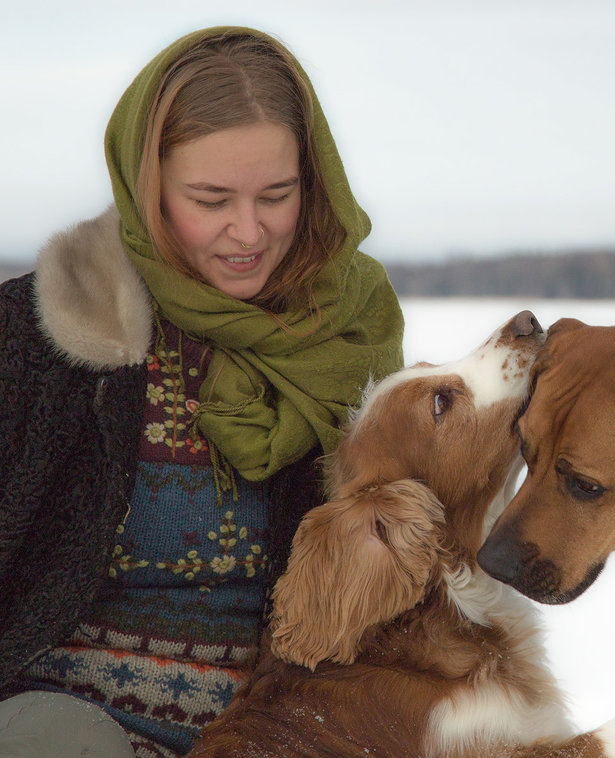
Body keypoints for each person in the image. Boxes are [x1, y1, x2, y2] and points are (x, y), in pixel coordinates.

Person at [0, 26, 405, 758]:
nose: (247, 231)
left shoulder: (349, 342)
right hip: (55, 727)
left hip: (266, 737)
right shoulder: (38, 337)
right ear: (148, 184)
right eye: (210, 198)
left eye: (277, 195)